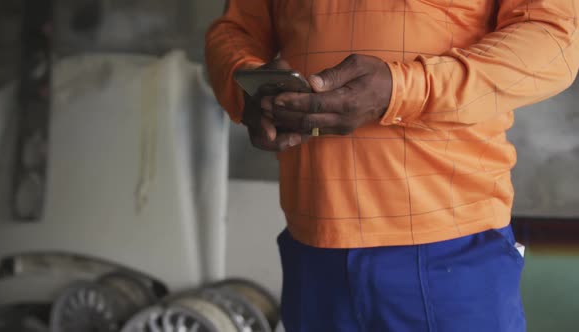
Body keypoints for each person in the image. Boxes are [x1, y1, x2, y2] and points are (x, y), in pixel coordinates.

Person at [205, 1, 578, 331]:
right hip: (313, 247)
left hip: (450, 245)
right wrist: (248, 86)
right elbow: (237, 30)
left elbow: (554, 38)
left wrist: (403, 89)